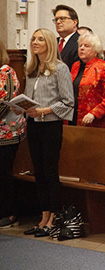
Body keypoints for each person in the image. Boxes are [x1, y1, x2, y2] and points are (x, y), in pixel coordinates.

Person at [22, 29, 74, 237]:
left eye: (40, 39)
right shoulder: (31, 69)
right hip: (33, 124)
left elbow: (68, 101)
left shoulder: (60, 69)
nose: (35, 42)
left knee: (50, 171)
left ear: (50, 44)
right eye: (33, 39)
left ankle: (54, 217)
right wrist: (22, 107)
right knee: (39, 171)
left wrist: (44, 110)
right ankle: (43, 216)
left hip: (51, 124)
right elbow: (29, 97)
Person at [0, 41, 27, 228]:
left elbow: (6, 101)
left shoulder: (6, 71)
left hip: (6, 132)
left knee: (3, 172)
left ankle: (8, 213)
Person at [70, 32, 105, 129]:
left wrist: (94, 114)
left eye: (86, 46)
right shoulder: (75, 66)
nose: (82, 48)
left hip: (95, 122)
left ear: (96, 50)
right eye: (80, 46)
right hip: (72, 119)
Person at [52, 4, 80, 70]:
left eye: (62, 18)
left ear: (74, 22)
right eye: (56, 19)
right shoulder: (53, 42)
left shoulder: (81, 42)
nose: (58, 22)